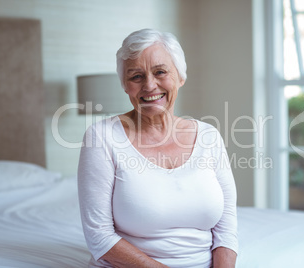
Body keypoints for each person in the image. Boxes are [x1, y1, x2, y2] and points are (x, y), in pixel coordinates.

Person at [78, 28, 238, 268]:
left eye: (160, 72)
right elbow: (99, 237)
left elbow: (226, 227)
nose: (149, 85)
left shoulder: (208, 136)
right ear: (125, 85)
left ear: (180, 77)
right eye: (136, 76)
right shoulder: (101, 137)